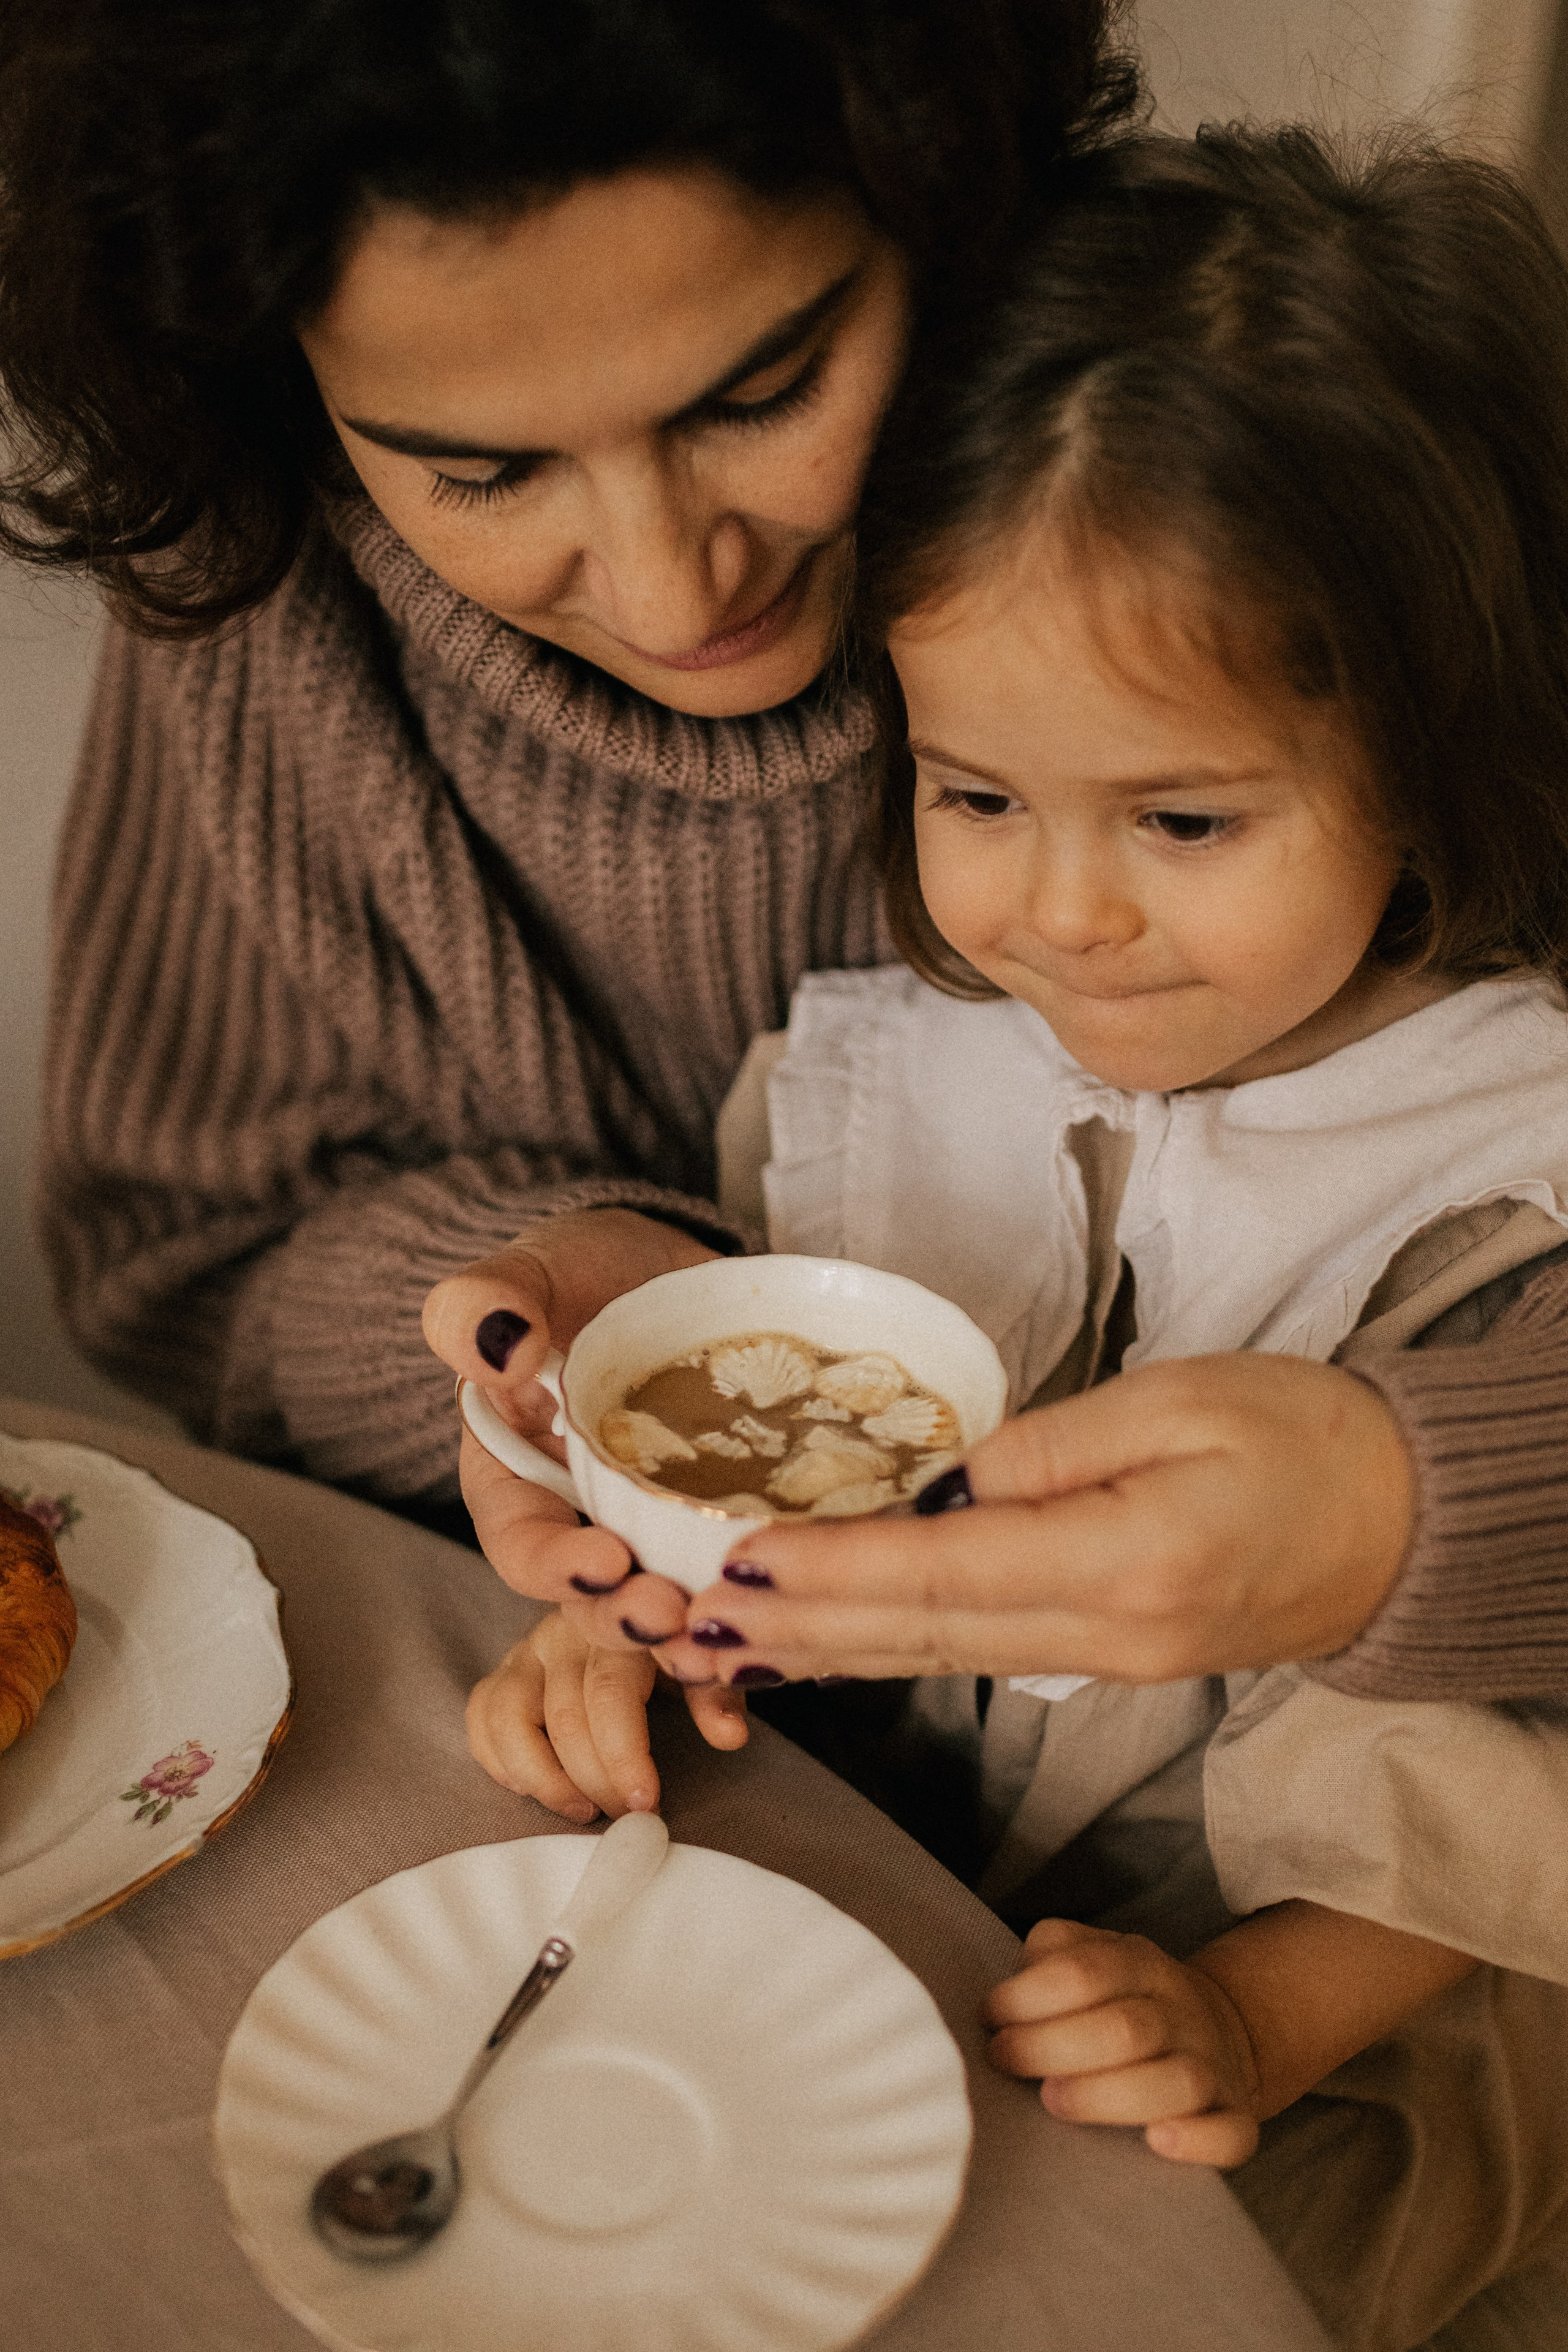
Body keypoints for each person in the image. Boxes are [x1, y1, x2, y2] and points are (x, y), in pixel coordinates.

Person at [3, 4, 1566, 1743]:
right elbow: (184, 1255)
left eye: (760, 395)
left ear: (937, 199)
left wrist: (1412, 1515)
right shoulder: (266, 597)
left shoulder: (1226, 456)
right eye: (482, 470)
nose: (676, 596)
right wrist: (570, 1300)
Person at [475, 128, 1568, 2346]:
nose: (1052, 912)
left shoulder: (1507, 1169)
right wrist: (632, 1636)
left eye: (1183, 818)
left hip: (1326, 2010)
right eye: (974, 796)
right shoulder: (913, 1065)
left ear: (1434, 762)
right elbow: (764, 1541)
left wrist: (1251, 2018)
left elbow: (1483, 1774)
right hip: (887, 1884)